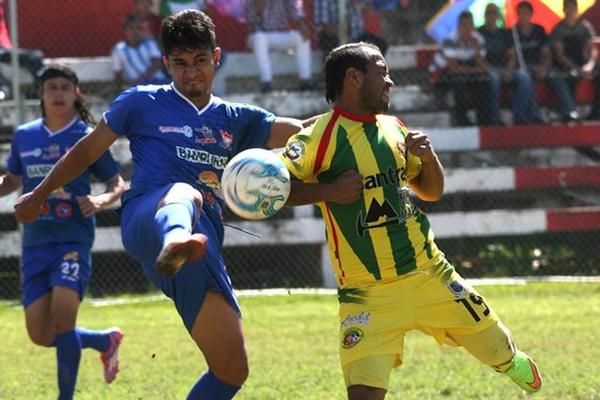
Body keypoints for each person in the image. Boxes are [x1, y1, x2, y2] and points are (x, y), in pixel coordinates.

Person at [14, 10, 307, 400]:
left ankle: (182, 243)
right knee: (186, 192)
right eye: (180, 64)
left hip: (201, 250)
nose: (191, 73)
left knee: (231, 369)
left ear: (216, 58)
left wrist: (362, 125)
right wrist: (38, 195)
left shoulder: (237, 119)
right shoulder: (140, 102)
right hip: (146, 222)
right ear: (166, 62)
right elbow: (85, 152)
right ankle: (175, 239)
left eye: (200, 61)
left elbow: (302, 131)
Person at [281, 42, 542, 399]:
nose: (390, 81)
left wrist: (429, 158)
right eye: (382, 72)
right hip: (367, 296)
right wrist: (328, 191)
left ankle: (512, 363)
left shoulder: (395, 128)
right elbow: (275, 189)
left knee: (500, 349)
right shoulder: (316, 138)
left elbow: (431, 192)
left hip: (430, 275)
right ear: (354, 78)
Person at [0, 65, 125, 400]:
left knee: (63, 320)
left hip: (73, 239)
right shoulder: (25, 135)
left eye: (64, 87)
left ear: (76, 94)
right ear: (40, 95)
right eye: (50, 87)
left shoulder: (86, 136)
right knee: (40, 333)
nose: (57, 93)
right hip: (35, 241)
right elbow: (13, 179)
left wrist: (100, 199)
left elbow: (116, 182)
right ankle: (103, 340)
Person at [429, 11, 501, 126]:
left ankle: (484, 119)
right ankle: (462, 119)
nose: (467, 29)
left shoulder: (478, 39)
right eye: (463, 25)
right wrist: (476, 70)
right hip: (442, 73)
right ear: (459, 26)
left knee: (485, 81)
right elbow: (452, 68)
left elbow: (482, 66)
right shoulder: (450, 39)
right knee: (459, 82)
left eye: (469, 25)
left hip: (465, 71)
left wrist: (477, 48)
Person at [478, 2, 542, 125]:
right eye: (489, 13)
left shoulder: (506, 34)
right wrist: (495, 70)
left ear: (498, 16)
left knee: (524, 77)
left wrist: (508, 70)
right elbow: (479, 59)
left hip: (507, 69)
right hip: (489, 71)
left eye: (494, 13)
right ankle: (495, 119)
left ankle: (519, 116)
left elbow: (512, 55)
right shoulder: (479, 34)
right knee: (494, 79)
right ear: (485, 16)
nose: (492, 16)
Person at [548, 0, 599, 122]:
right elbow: (560, 56)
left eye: (572, 8)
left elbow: (592, 50)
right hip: (564, 67)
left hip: (584, 66)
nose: (570, 11)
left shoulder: (585, 27)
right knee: (560, 78)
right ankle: (570, 111)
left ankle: (596, 113)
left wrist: (589, 66)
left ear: (577, 10)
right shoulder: (558, 30)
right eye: (567, 8)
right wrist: (577, 69)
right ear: (564, 10)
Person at [245, 0, 313, 93]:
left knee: (301, 38)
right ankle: (266, 82)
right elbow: (251, 19)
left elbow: (297, 11)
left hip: (280, 34)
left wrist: (302, 26)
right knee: (259, 38)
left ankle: (305, 80)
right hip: (259, 35)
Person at [313, 0, 388, 59]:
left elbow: (368, 9)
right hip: (333, 36)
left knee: (380, 44)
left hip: (357, 35)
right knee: (339, 52)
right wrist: (346, 39)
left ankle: (369, 74)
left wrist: (356, 3)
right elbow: (324, 25)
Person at [111, 14, 169, 90]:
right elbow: (117, 74)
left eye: (138, 28)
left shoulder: (149, 43)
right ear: (124, 31)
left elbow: (156, 64)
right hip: (137, 88)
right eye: (131, 28)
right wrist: (129, 86)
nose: (135, 32)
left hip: (159, 82)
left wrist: (140, 81)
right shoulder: (119, 49)